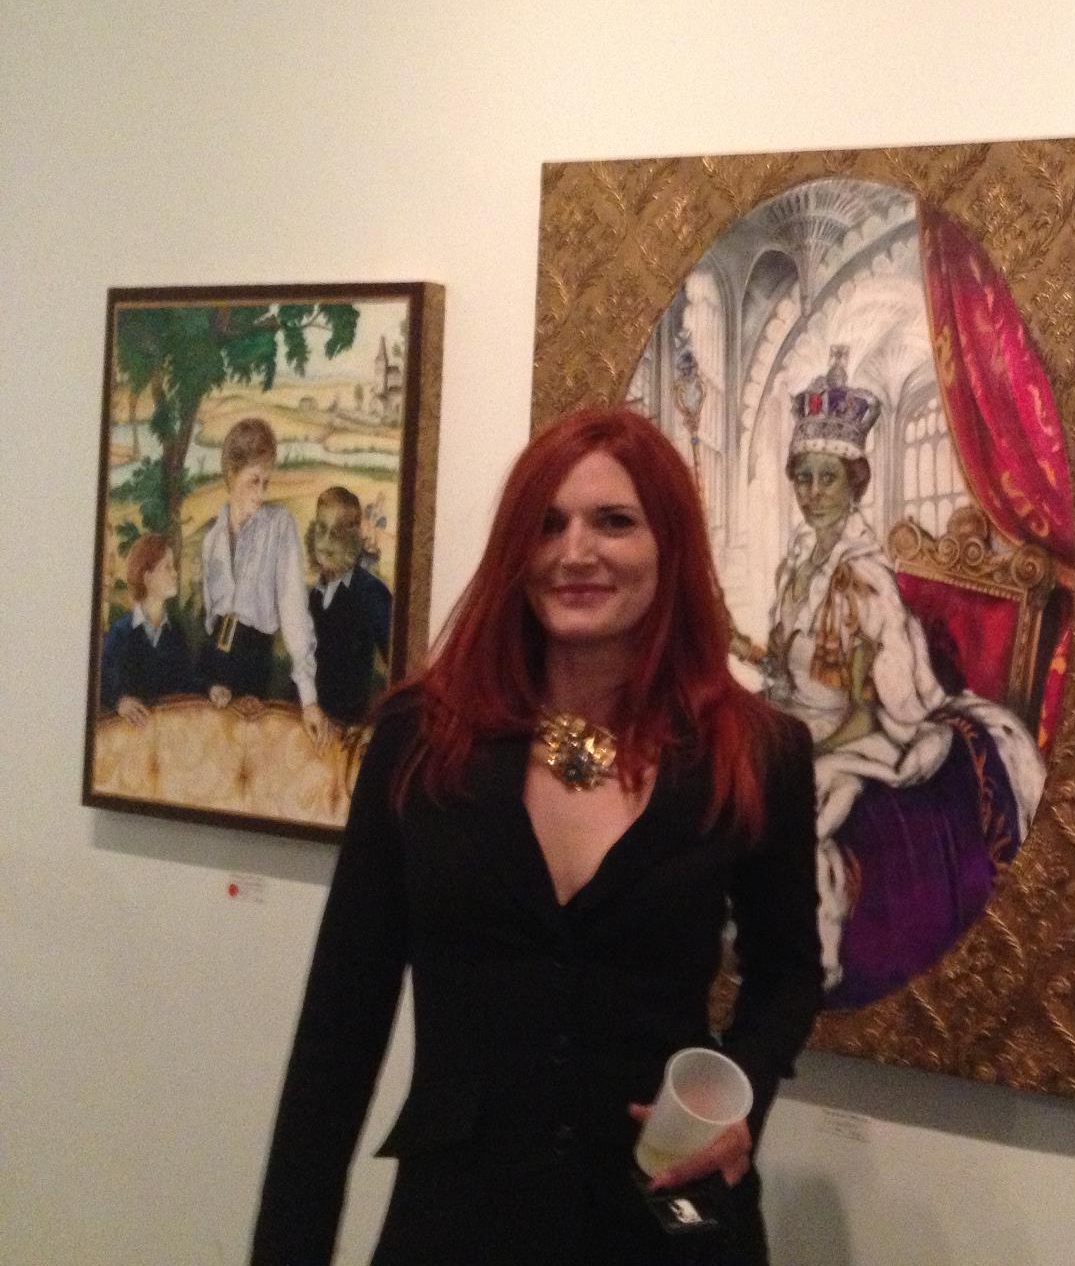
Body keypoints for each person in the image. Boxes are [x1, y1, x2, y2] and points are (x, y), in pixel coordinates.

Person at [252, 408, 822, 1266]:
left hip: (662, 1219)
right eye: (548, 524)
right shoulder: (421, 739)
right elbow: (340, 1025)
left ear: (669, 546)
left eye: (614, 522)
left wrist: (740, 1102)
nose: (575, 552)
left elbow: (788, 974)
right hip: (459, 1224)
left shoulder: (755, 750)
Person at [731, 349, 1046, 1002]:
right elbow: (792, 669)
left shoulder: (865, 580)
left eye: (828, 479)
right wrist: (739, 648)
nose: (813, 493)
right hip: (796, 717)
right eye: (804, 478)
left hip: (866, 732)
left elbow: (872, 710)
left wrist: (803, 749)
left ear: (855, 484)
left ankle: (798, 959)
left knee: (800, 804)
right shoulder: (799, 565)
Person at [198, 417, 323, 739]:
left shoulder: (279, 526)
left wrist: (309, 700)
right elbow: (211, 623)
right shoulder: (211, 540)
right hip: (214, 671)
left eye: (266, 482)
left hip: (255, 663)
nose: (261, 493)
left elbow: (294, 611)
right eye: (254, 481)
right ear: (231, 474)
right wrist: (211, 681)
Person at [305, 485, 394, 724]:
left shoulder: (371, 593)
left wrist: (373, 724)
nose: (325, 542)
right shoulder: (314, 596)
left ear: (354, 538)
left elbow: (400, 668)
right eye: (321, 529)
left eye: (336, 533)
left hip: (348, 729)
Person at [99, 532, 197, 724]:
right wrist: (119, 701)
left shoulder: (176, 632)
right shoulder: (121, 632)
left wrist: (211, 688)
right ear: (147, 577)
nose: (175, 573)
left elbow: (187, 681)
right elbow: (101, 680)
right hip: (132, 734)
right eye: (167, 567)